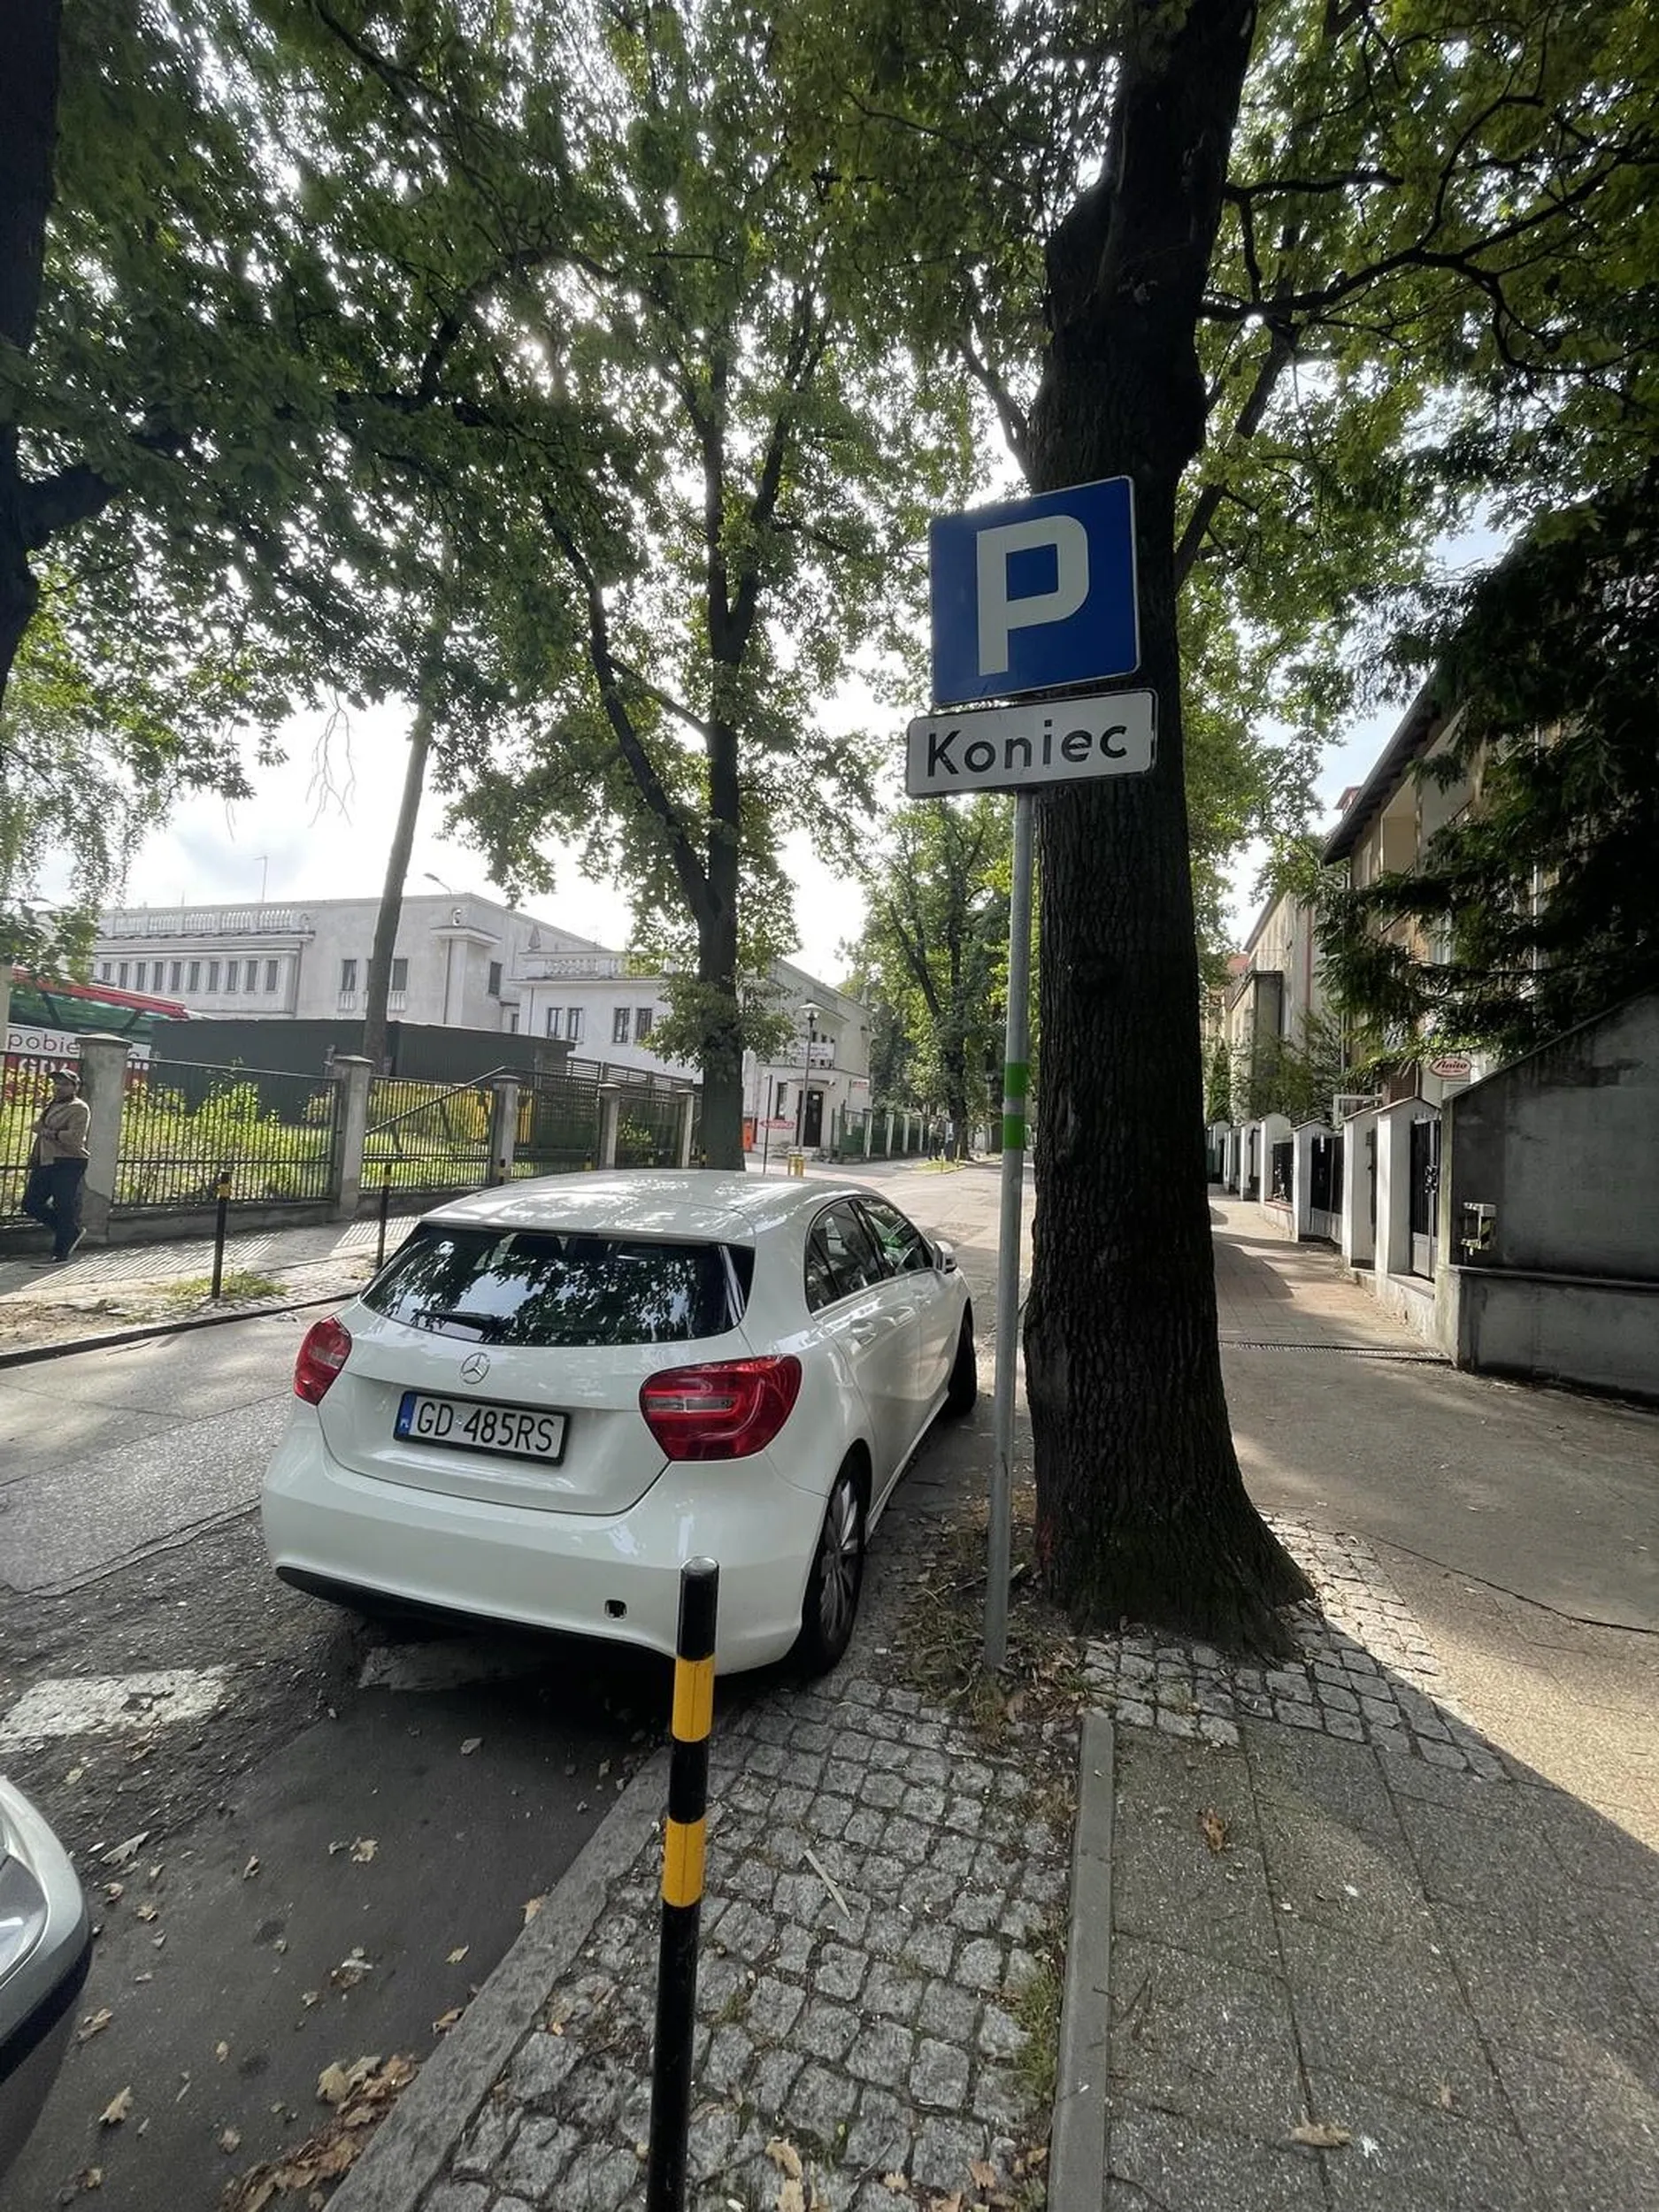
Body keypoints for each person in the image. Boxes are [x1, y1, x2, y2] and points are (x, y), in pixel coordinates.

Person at [22, 1065, 92, 1261]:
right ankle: (70, 1231)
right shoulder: (53, 1104)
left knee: (63, 1206)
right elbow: (37, 1125)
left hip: (68, 1161)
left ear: (74, 1087)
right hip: (46, 1160)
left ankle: (60, 1252)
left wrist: (48, 1132)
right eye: (56, 1083)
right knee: (30, 1203)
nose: (58, 1087)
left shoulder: (78, 1107)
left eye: (64, 1084)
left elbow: (75, 1138)